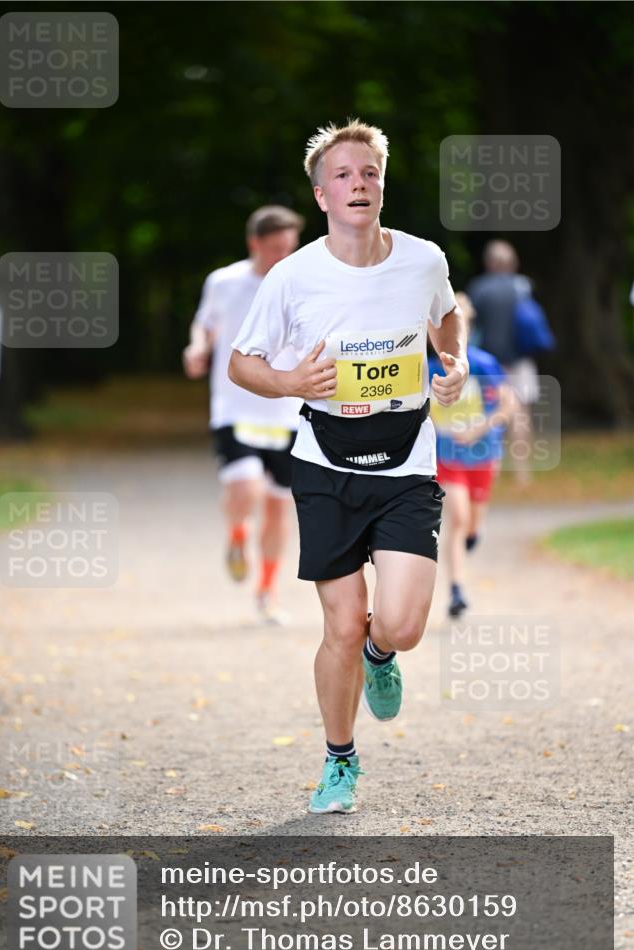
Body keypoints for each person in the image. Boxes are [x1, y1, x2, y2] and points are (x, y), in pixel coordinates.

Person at [229, 120, 468, 813]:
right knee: (340, 624)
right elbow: (241, 362)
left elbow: (446, 318)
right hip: (324, 464)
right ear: (321, 195)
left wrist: (450, 361)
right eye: (343, 175)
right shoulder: (293, 275)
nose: (357, 183)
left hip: (406, 461)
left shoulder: (422, 260)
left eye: (368, 172)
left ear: (382, 186)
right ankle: (339, 761)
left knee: (401, 625)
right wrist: (289, 382)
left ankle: (381, 654)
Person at [183, 206, 304, 623]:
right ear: (254, 243)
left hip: (287, 411)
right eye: (275, 248)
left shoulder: (303, 285)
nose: (283, 256)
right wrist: (197, 347)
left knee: (277, 507)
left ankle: (267, 592)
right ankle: (237, 534)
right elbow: (204, 324)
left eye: (289, 248)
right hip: (234, 406)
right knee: (246, 488)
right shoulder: (224, 281)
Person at [428, 292, 515, 618]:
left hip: (482, 454)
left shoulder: (484, 364)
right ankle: (456, 591)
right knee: (458, 518)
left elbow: (508, 406)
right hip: (447, 457)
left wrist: (479, 429)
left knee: (472, 525)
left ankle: (473, 535)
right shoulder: (427, 368)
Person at [467, 240, 536, 487]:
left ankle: (489, 468)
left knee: (488, 413)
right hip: (520, 360)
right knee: (521, 415)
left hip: (488, 363)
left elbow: (471, 327)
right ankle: (522, 473)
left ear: (489, 263)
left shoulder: (479, 288)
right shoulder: (523, 286)